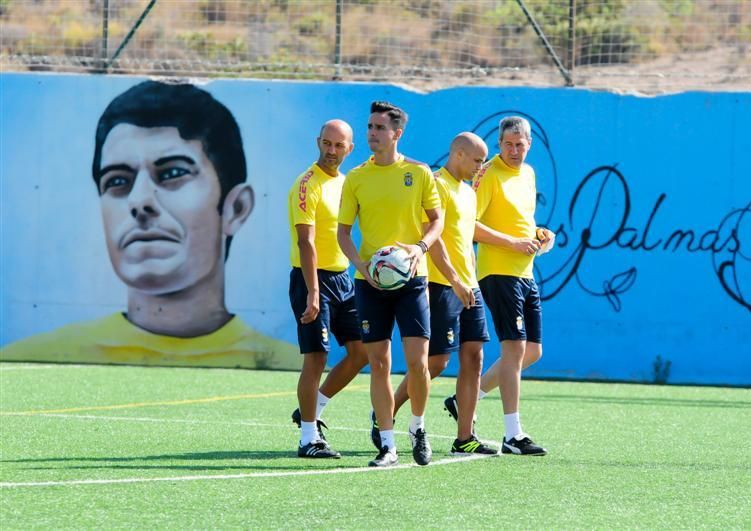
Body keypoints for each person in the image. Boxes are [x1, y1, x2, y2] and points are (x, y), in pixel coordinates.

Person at [1, 81, 299, 370]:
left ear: (236, 208)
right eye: (117, 181)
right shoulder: (32, 357)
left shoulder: (292, 364)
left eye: (172, 173)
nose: (139, 201)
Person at [337, 101, 443, 467]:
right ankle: (387, 445)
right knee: (379, 364)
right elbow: (343, 232)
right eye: (369, 127)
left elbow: (436, 220)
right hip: (370, 283)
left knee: (418, 364)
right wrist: (360, 265)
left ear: (397, 133)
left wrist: (419, 248)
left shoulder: (419, 172)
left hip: (413, 279)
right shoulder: (356, 178)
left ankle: (417, 426)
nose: (372, 134)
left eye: (379, 128)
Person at [448, 116, 555, 456]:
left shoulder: (528, 173)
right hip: (498, 271)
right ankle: (513, 434)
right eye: (507, 144)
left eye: (519, 145)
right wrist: (511, 243)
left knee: (532, 352)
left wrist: (540, 234)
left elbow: (522, 222)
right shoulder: (487, 174)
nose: (513, 150)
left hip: (526, 272)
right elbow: (469, 224)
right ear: (498, 145)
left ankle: (467, 398)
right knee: (514, 350)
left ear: (529, 145)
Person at [388, 132, 497, 455]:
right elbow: (432, 239)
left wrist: (470, 280)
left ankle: (465, 437)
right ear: (459, 154)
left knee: (474, 356)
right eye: (478, 160)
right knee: (435, 362)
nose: (481, 167)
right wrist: (454, 279)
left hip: (468, 285)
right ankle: (385, 415)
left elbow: (465, 239)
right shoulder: (436, 184)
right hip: (440, 285)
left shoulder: (468, 191)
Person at [287, 119, 369, 459]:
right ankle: (308, 439)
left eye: (339, 146)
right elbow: (306, 242)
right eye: (327, 143)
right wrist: (313, 291)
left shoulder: (348, 184)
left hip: (343, 279)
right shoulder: (306, 185)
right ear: (318, 141)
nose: (331, 151)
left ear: (350, 149)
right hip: (311, 279)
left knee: (361, 352)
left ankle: (311, 408)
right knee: (317, 358)